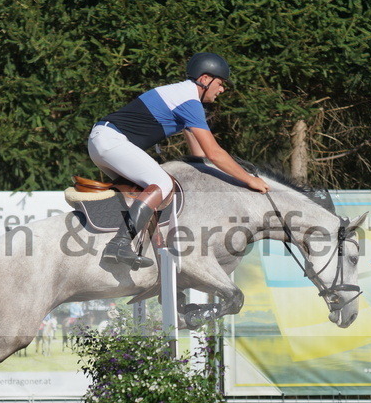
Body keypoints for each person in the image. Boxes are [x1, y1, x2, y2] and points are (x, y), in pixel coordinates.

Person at [87, 52, 270, 268]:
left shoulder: (183, 97)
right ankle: (119, 244)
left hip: (103, 142)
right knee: (164, 184)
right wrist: (249, 179)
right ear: (204, 79)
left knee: (144, 193)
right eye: (220, 83)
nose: (222, 90)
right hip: (111, 141)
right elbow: (214, 153)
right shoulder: (189, 101)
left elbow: (200, 158)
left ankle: (134, 250)